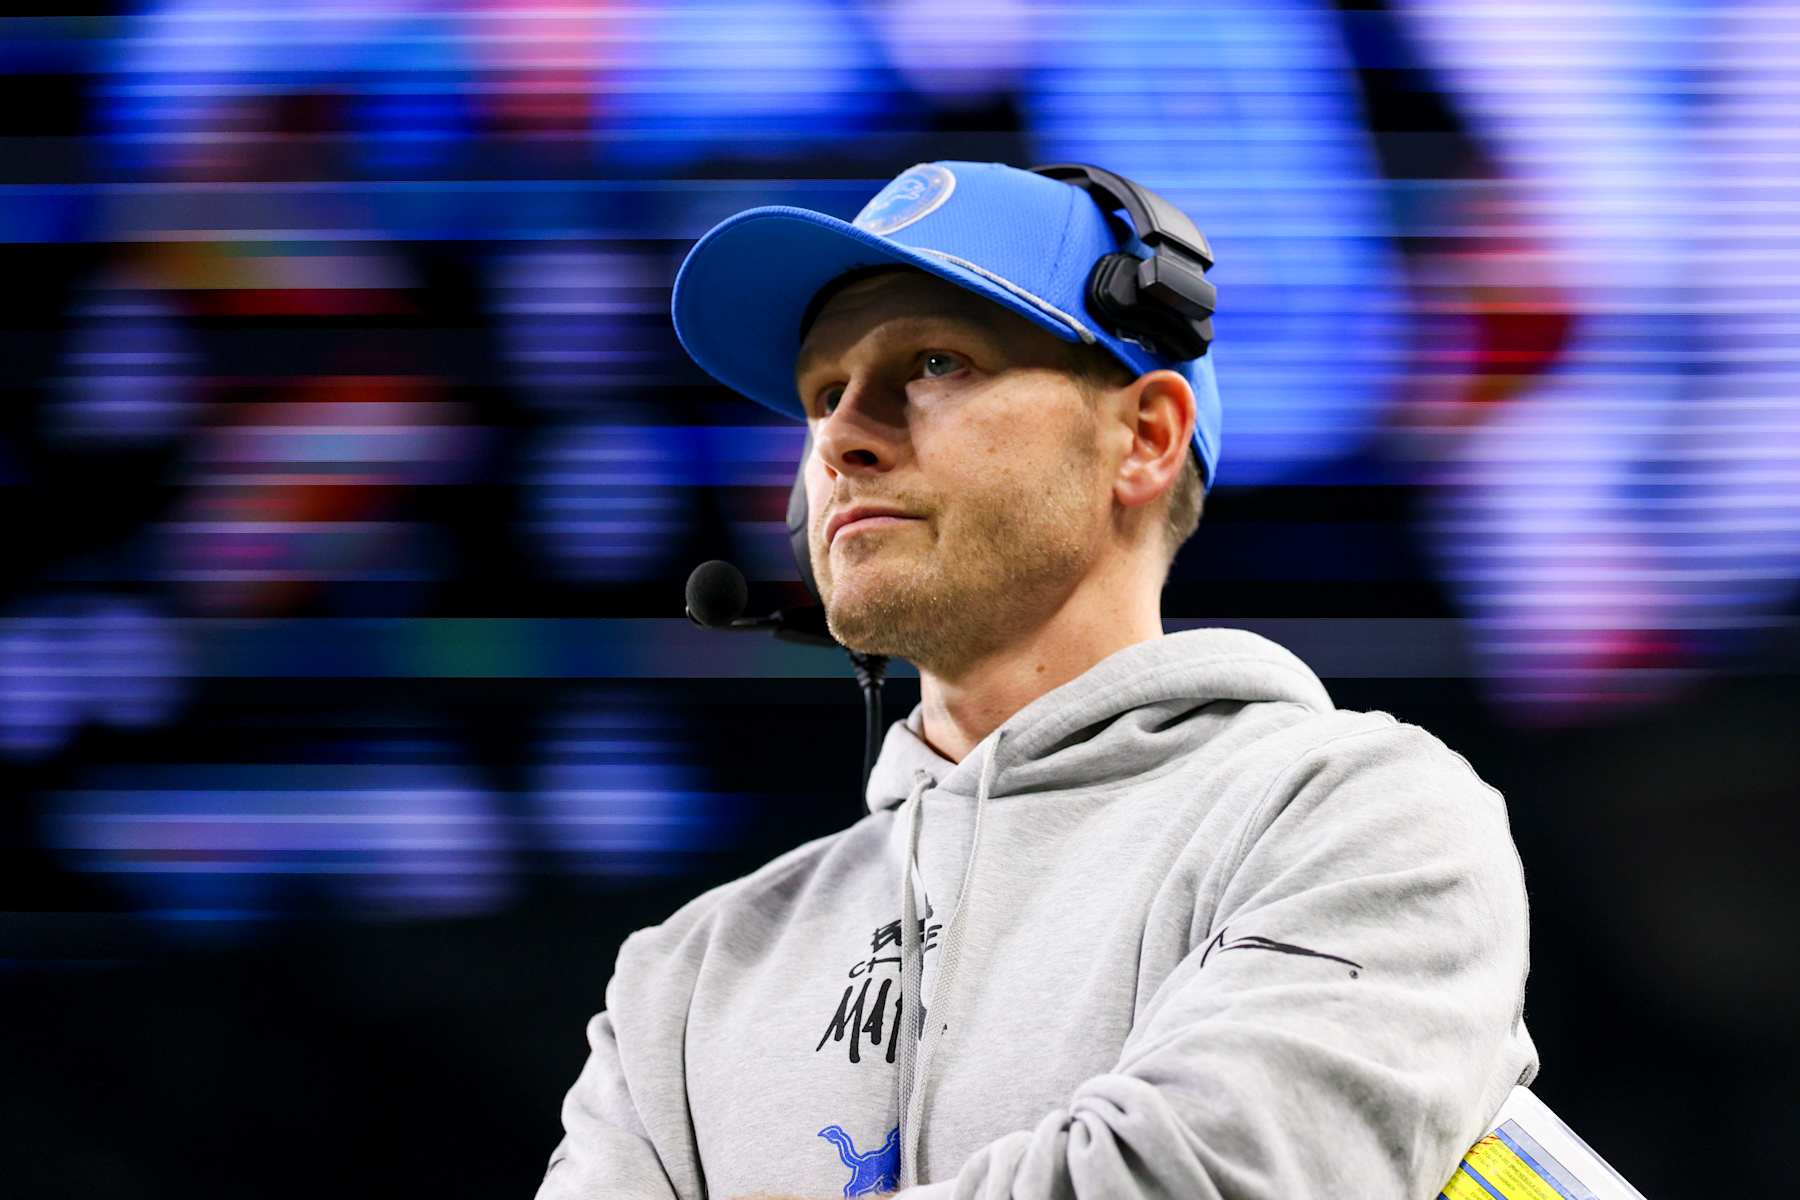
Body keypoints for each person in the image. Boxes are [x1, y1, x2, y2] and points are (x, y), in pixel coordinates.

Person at [534, 161, 1539, 1199]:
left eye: (935, 363)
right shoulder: (687, 979)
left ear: (1145, 438)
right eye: (824, 394)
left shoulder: (1358, 819)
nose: (839, 437)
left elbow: (1193, 1182)